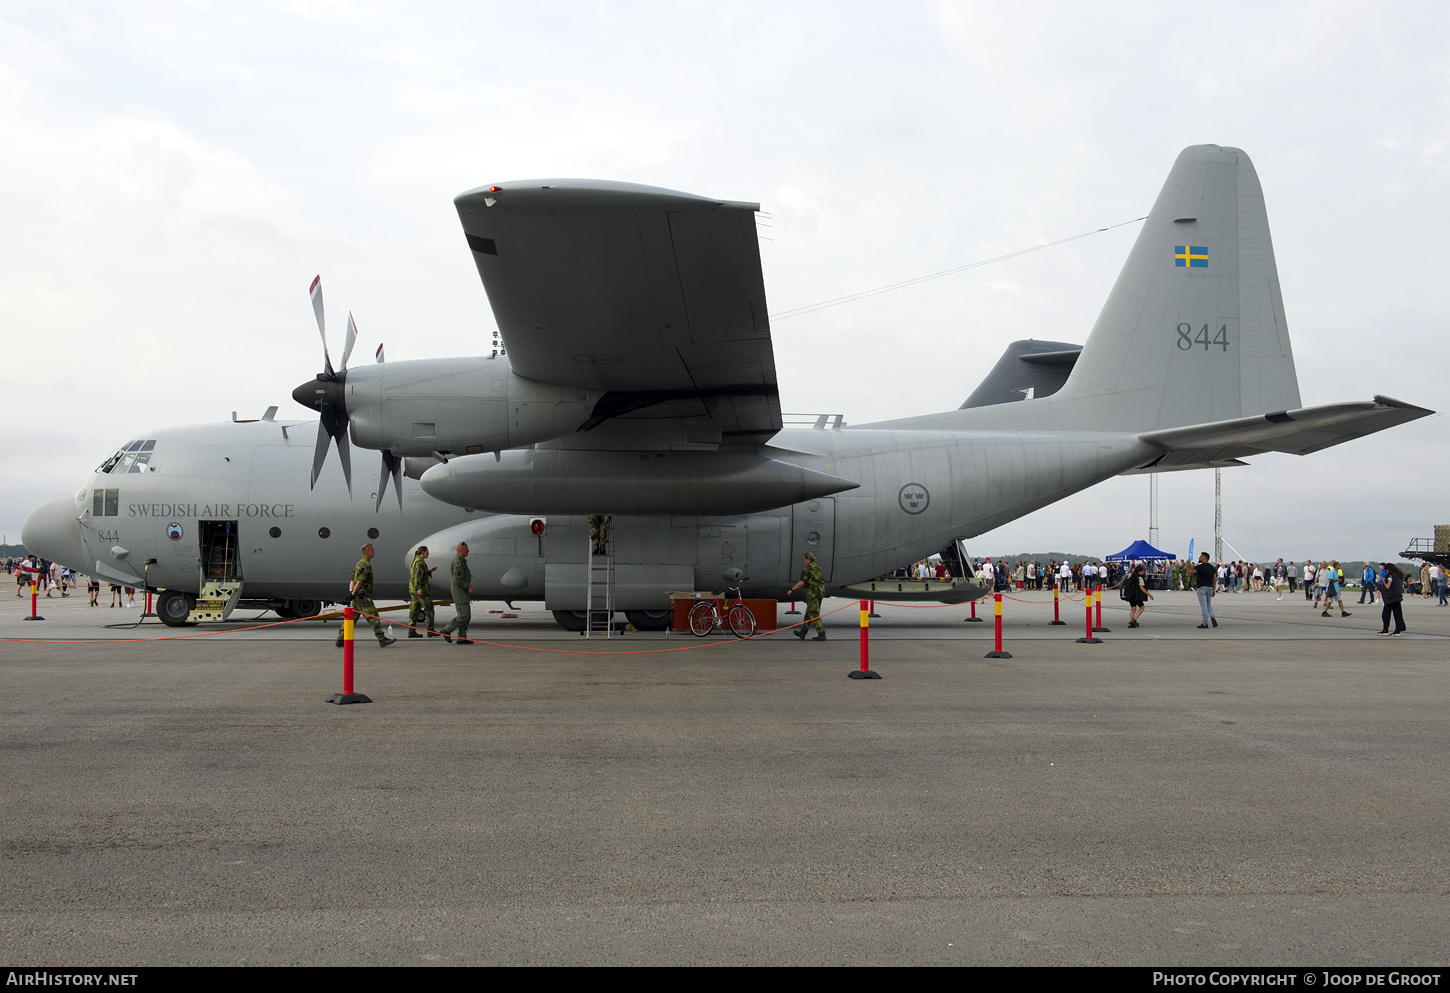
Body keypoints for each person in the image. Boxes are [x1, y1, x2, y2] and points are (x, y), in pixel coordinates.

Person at [336, 543, 396, 648]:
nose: (374, 552)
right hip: (362, 597)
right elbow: (359, 581)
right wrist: (353, 594)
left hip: (357, 596)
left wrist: (351, 593)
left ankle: (340, 639)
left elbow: (352, 580)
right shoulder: (365, 565)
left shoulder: (359, 563)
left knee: (352, 618)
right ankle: (382, 639)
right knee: (373, 617)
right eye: (372, 551)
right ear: (367, 552)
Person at [440, 542, 474, 644]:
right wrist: (468, 586)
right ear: (460, 550)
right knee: (463, 615)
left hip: (461, 589)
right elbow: (458, 579)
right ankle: (446, 630)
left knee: (465, 615)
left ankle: (462, 638)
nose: (468, 551)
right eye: (466, 549)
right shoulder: (457, 562)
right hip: (459, 589)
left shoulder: (461, 561)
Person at [788, 551, 826, 641]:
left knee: (813, 613)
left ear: (807, 559)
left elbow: (802, 582)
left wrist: (792, 589)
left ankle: (822, 633)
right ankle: (803, 632)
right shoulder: (818, 567)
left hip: (812, 593)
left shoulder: (807, 569)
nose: (803, 561)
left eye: (803, 559)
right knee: (808, 613)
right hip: (820, 592)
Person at [407, 545, 438, 638]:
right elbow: (417, 577)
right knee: (429, 609)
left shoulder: (417, 561)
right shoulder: (420, 563)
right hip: (422, 591)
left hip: (413, 590)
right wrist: (418, 588)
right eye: (427, 552)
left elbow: (421, 575)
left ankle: (411, 631)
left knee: (414, 610)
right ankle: (430, 630)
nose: (428, 553)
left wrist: (430, 571)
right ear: (423, 552)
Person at [1192, 552, 1218, 629]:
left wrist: (1188, 565)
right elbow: (1214, 579)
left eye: (1201, 556)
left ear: (1204, 558)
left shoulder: (1199, 567)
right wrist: (1213, 589)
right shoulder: (1212, 568)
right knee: (1209, 604)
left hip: (1202, 588)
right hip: (1210, 588)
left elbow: (1190, 571)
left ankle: (1205, 623)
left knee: (1204, 606)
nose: (1199, 557)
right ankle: (1212, 617)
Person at [1379, 563, 1406, 636]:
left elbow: (1388, 586)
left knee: (1386, 614)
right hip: (1397, 596)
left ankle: (1385, 629)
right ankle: (1398, 629)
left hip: (1391, 597)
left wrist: (1384, 581)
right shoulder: (1398, 575)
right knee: (1398, 614)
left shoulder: (1390, 576)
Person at [1123, 563, 1154, 628]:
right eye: (1142, 571)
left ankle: (1130, 621)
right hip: (1137, 596)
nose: (1143, 572)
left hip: (1130, 595)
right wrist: (1149, 594)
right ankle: (1133, 620)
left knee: (1133, 608)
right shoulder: (1140, 578)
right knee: (1142, 608)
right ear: (1139, 571)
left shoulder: (1131, 577)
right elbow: (1141, 587)